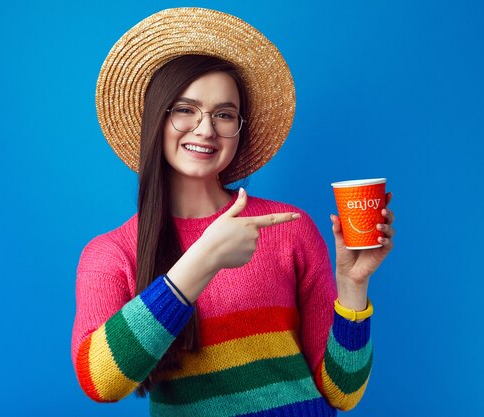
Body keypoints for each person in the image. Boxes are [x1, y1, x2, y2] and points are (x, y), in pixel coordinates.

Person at [71, 8, 395, 417]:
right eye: (185, 109)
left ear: (238, 130)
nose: (206, 129)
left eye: (223, 114)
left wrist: (352, 286)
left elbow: (342, 393)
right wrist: (203, 260)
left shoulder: (288, 229)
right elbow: (99, 381)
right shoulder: (110, 254)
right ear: (157, 118)